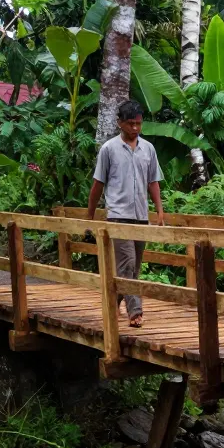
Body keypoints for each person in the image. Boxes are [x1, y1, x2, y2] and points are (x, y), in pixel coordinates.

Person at [87, 100, 165, 328]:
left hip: (141, 215)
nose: (135, 129)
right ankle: (135, 312)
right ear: (120, 123)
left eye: (138, 124)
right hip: (118, 215)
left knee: (133, 266)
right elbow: (97, 184)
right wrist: (89, 216)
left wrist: (159, 211)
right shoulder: (109, 149)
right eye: (130, 124)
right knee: (128, 263)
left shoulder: (148, 149)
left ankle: (112, 303)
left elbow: (153, 182)